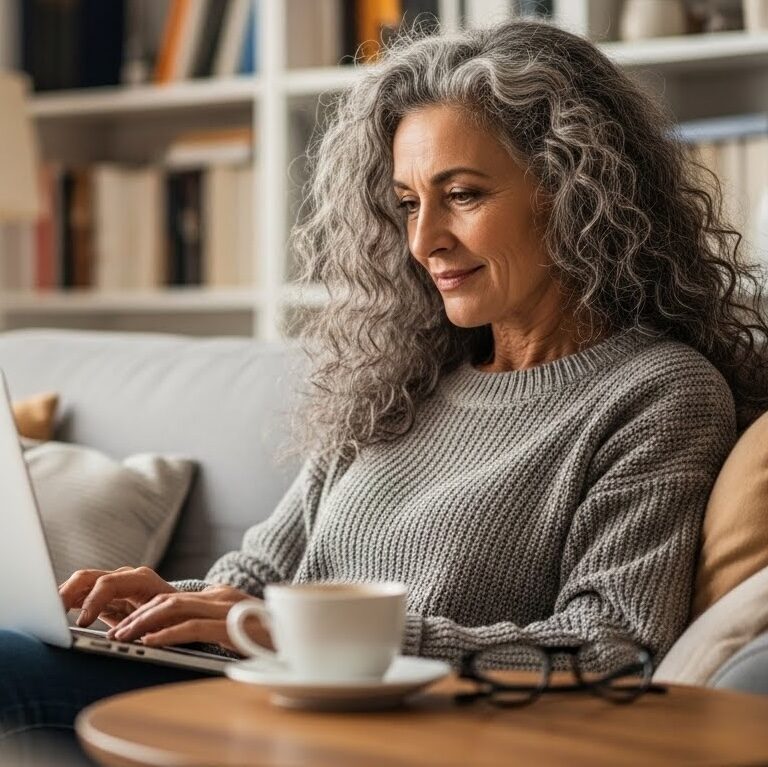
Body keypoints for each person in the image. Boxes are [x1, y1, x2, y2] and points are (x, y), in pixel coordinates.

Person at [2, 16, 767, 759]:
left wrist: (307, 636)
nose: (423, 239)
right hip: (260, 699)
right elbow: (263, 578)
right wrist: (163, 602)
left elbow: (610, 650)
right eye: (407, 203)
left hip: (399, 734)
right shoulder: (402, 377)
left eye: (462, 194)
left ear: (573, 189)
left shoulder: (658, 392)